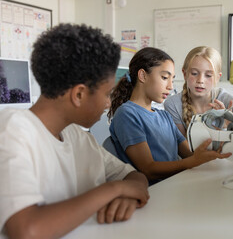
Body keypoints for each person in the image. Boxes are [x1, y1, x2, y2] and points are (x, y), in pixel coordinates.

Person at [0, 24, 150, 239]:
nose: (108, 103)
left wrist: (125, 196)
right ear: (79, 94)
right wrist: (113, 190)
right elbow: (27, 231)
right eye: (107, 94)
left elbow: (134, 176)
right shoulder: (11, 130)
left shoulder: (77, 136)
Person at [108, 47, 231, 185]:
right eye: (165, 77)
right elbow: (149, 169)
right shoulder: (127, 114)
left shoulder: (164, 116)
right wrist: (193, 161)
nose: (170, 86)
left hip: (175, 185)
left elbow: (191, 155)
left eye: (172, 79)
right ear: (142, 76)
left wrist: (217, 140)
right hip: (155, 192)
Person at [164, 46, 233, 137]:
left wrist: (230, 125)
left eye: (208, 75)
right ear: (185, 74)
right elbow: (183, 147)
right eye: (194, 73)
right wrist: (224, 130)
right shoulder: (173, 104)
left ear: (217, 78)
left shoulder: (226, 99)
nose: (200, 80)